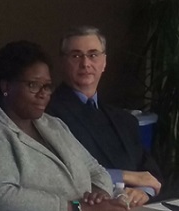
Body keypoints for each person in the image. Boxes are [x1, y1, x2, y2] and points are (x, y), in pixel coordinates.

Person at [0, 41, 126, 211]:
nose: (43, 94)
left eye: (47, 86)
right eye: (33, 85)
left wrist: (98, 196)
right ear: (6, 86)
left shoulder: (54, 126)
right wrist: (76, 208)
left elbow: (95, 169)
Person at [46, 26, 162, 206]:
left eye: (93, 55)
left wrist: (142, 191)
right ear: (62, 62)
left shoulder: (124, 119)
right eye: (76, 56)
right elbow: (60, 175)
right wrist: (128, 176)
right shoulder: (47, 114)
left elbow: (149, 171)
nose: (85, 64)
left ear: (104, 62)